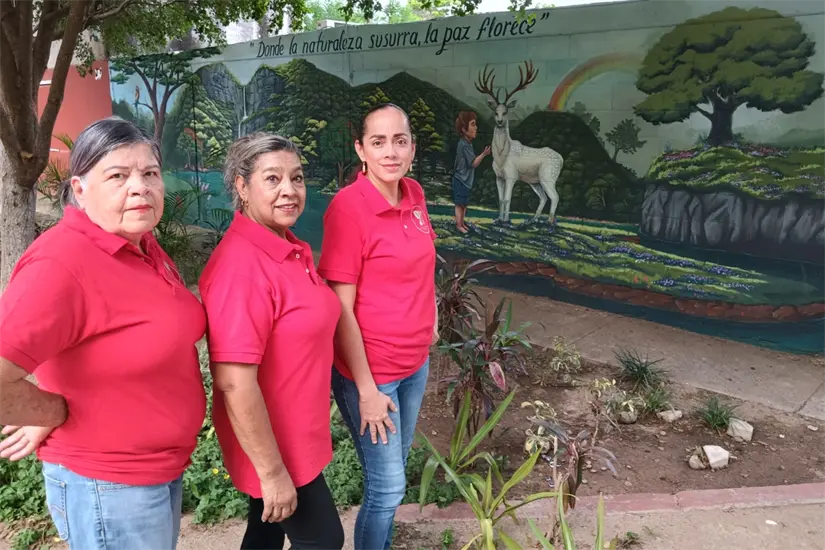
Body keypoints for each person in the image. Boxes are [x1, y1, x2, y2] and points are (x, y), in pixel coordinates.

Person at [0, 117, 206, 550]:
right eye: (118, 175)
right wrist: (51, 411)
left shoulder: (139, 242)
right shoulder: (61, 265)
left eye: (150, 173)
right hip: (109, 484)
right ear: (80, 189)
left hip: (153, 472)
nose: (140, 187)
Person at [199, 133, 344, 550]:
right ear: (242, 187)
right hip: (274, 444)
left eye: (297, 179)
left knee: (264, 532)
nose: (289, 191)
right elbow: (233, 383)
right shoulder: (240, 268)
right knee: (324, 540)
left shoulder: (287, 246)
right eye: (273, 179)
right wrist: (273, 472)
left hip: (295, 430)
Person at [318, 103, 438, 550]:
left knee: (393, 475)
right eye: (378, 142)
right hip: (373, 373)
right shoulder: (349, 209)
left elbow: (424, 263)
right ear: (361, 150)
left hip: (415, 363)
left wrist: (433, 321)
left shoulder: (414, 194)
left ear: (412, 147)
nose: (391, 152)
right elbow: (340, 307)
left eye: (400, 140)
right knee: (387, 489)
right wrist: (367, 390)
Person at [452, 111, 490, 233]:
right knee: (459, 203)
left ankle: (462, 223)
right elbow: (473, 163)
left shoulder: (467, 144)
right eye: (472, 124)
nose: (476, 127)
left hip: (465, 180)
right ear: (464, 129)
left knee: (463, 203)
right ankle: (459, 225)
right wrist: (483, 154)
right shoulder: (464, 145)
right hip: (461, 179)